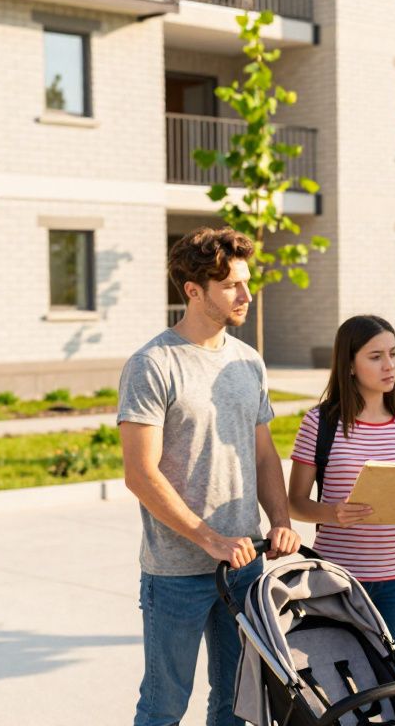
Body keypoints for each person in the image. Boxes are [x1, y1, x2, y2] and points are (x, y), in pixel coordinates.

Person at [118, 226, 300, 726]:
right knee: (163, 707)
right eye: (231, 286)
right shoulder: (152, 364)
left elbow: (264, 455)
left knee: (236, 706)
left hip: (245, 567)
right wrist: (210, 538)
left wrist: (280, 520)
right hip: (176, 571)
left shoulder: (248, 361)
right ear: (193, 291)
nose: (246, 295)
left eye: (245, 281)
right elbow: (139, 473)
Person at [286, 315, 395, 666]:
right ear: (350, 365)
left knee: (388, 684)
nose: (389, 365)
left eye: (393, 353)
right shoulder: (320, 423)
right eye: (376, 357)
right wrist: (331, 513)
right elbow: (294, 503)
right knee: (338, 683)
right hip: (335, 580)